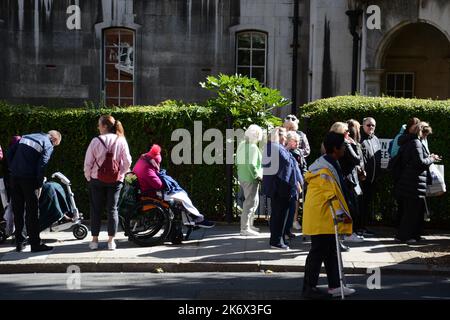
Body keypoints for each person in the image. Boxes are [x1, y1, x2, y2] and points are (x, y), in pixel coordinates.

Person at [302, 131, 355, 299]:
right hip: (323, 217)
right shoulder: (326, 168)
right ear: (335, 149)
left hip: (323, 216)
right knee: (318, 253)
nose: (345, 149)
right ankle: (308, 288)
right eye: (343, 147)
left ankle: (334, 286)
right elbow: (332, 194)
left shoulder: (328, 163)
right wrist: (343, 215)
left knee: (331, 252)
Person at [133, 144, 215, 228]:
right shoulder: (147, 168)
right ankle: (196, 218)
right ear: (154, 161)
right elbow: (158, 185)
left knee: (181, 195)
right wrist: (161, 176)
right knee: (181, 197)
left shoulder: (142, 160)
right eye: (158, 162)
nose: (158, 164)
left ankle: (193, 218)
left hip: (144, 189)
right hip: (151, 192)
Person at [7, 130, 62, 252]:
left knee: (18, 210)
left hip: (15, 177)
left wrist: (12, 168)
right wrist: (39, 182)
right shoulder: (47, 144)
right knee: (32, 212)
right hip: (29, 179)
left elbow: (10, 152)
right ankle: (35, 244)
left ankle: (19, 243)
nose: (53, 147)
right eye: (55, 145)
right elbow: (43, 163)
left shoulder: (26, 136)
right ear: (54, 139)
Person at [84, 115, 132, 250]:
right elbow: (128, 160)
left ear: (105, 126)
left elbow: (88, 162)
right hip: (115, 180)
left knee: (95, 210)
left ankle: (94, 241)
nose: (98, 127)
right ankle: (111, 241)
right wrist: (121, 173)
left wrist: (89, 177)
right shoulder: (121, 140)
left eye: (99, 124)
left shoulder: (95, 141)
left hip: (96, 179)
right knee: (113, 209)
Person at [394, 123, 438, 244]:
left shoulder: (409, 142)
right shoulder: (416, 143)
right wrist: (432, 159)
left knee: (410, 211)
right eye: (425, 134)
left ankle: (406, 235)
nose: (425, 137)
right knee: (411, 212)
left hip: (410, 181)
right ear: (421, 132)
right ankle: (406, 236)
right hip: (414, 182)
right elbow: (420, 162)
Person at [262, 127, 302, 250]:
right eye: (284, 136)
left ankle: (278, 240)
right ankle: (276, 241)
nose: (285, 138)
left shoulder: (274, 147)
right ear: (278, 136)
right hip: (281, 187)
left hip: (281, 186)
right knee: (279, 215)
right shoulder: (275, 148)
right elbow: (287, 164)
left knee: (279, 215)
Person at [236, 124, 264, 236]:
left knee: (254, 201)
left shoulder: (242, 144)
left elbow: (237, 160)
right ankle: (245, 228)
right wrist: (257, 176)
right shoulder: (253, 147)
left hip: (242, 176)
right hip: (250, 178)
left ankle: (249, 225)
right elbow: (252, 164)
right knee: (250, 203)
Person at [340, 119, 365, 243]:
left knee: (353, 207)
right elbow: (356, 159)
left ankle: (350, 232)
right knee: (350, 208)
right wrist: (352, 144)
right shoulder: (347, 143)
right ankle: (348, 233)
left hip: (351, 178)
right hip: (348, 180)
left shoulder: (348, 142)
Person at [283, 114, 310, 230]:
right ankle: (283, 220)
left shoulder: (301, 135)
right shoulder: (280, 133)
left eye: (291, 127)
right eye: (288, 127)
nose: (289, 129)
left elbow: (307, 150)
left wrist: (296, 152)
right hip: (283, 169)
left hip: (297, 168)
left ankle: (294, 220)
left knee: (296, 195)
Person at [359, 117, 381, 237]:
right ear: (363, 126)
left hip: (373, 179)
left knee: (367, 205)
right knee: (361, 204)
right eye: (368, 125)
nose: (371, 127)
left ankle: (364, 226)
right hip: (363, 180)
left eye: (373, 125)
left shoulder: (376, 139)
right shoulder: (360, 139)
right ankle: (359, 227)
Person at [284, 131, 304, 241]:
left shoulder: (298, 152)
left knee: (292, 210)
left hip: (298, 182)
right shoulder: (287, 152)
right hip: (292, 183)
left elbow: (302, 165)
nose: (297, 143)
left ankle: (288, 231)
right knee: (289, 209)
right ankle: (285, 231)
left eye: (298, 141)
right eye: (295, 141)